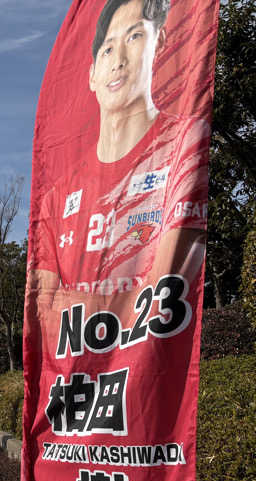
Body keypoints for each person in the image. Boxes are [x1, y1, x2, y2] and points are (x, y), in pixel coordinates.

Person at [29, 0, 209, 327]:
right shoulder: (58, 197)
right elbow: (44, 317)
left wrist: (76, 305)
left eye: (134, 37)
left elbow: (163, 292)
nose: (119, 61)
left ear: (160, 43)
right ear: (92, 75)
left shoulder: (184, 143)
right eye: (107, 50)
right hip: (78, 373)